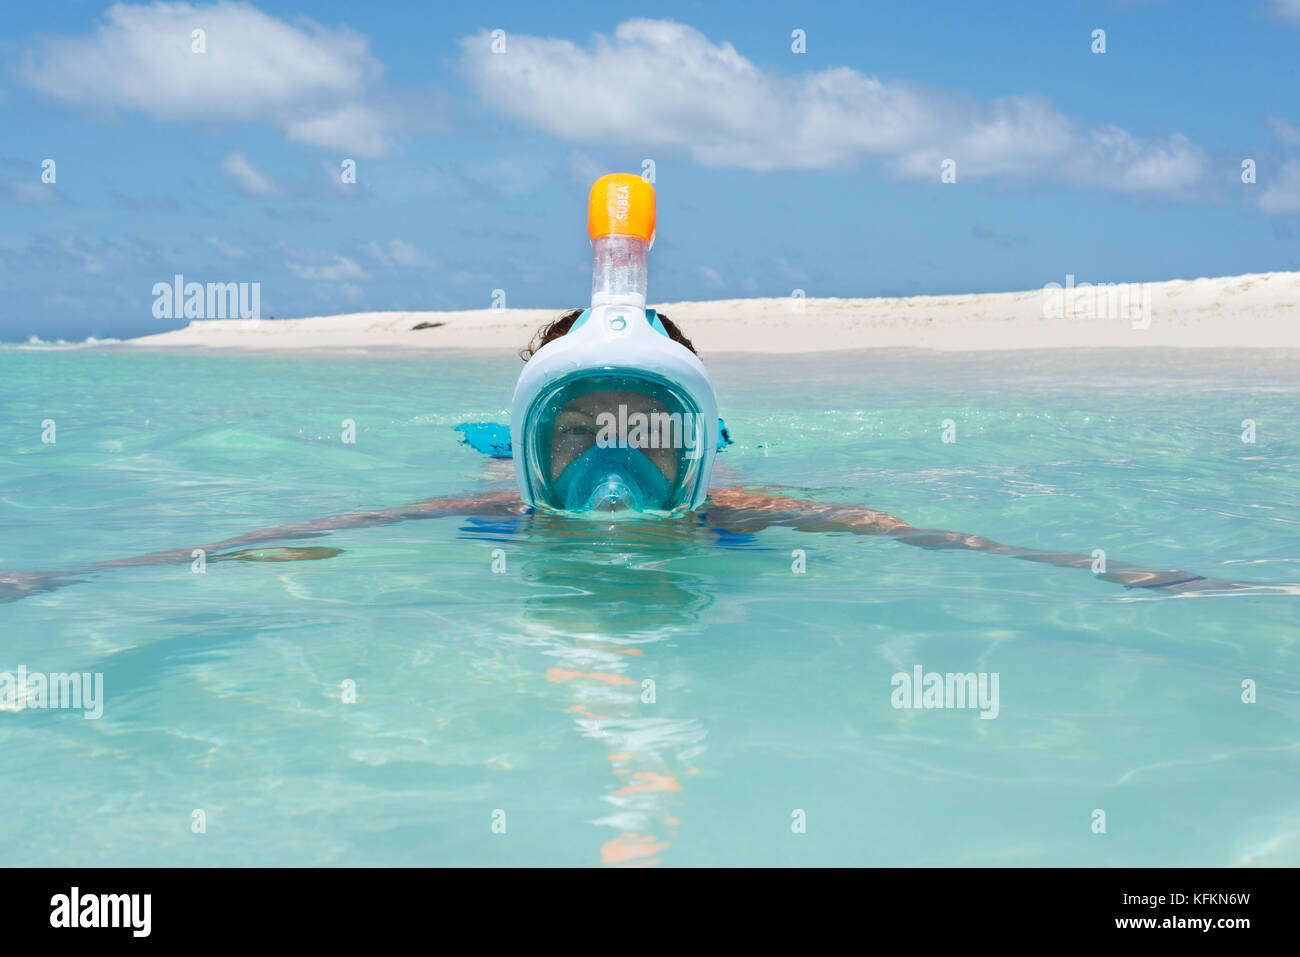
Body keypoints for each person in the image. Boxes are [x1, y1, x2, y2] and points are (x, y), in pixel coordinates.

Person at [0, 175, 1261, 599]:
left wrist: (1134, 572)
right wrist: (80, 574)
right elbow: (294, 535)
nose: (611, 469)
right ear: (519, 447)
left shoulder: (734, 507)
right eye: (584, 433)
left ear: (705, 445)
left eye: (646, 432)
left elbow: (937, 537)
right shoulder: (487, 507)